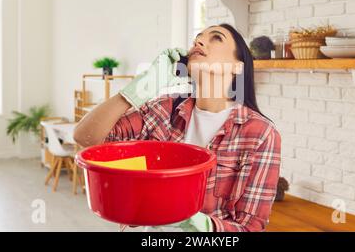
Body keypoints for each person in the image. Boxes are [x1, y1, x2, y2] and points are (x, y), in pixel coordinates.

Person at [74, 24, 281, 232]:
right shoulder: (164, 110)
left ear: (238, 66)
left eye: (216, 38)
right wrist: (139, 88)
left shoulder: (260, 134)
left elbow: (251, 227)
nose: (198, 42)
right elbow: (86, 136)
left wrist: (206, 227)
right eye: (197, 38)